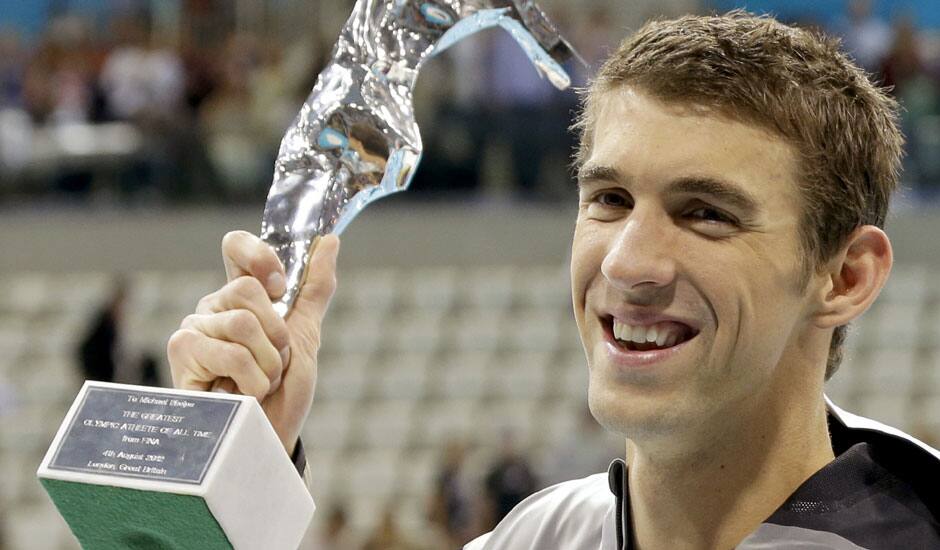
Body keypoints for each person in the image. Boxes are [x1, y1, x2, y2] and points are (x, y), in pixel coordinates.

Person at [167, 11, 940, 549]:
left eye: (705, 213)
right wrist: (231, 470)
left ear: (844, 276)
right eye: (609, 199)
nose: (629, 263)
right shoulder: (533, 538)